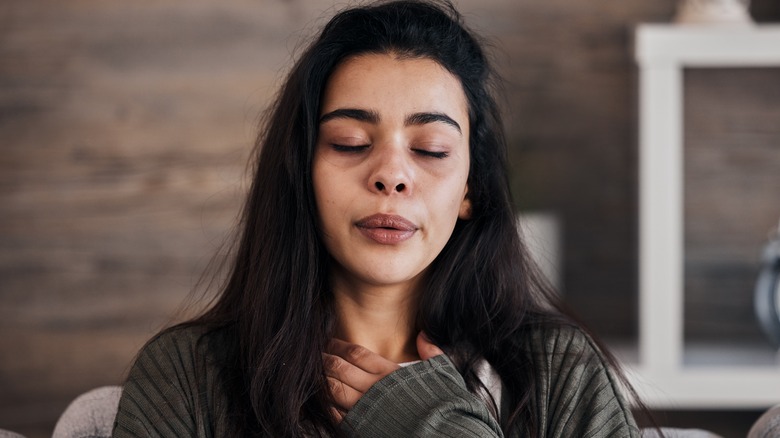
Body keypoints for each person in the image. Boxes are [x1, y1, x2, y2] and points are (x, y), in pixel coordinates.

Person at [112, 1, 644, 436]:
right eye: (350, 143)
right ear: (301, 173)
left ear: (470, 189)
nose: (391, 175)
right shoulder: (185, 376)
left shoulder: (558, 372)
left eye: (431, 149)